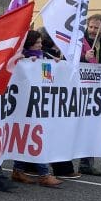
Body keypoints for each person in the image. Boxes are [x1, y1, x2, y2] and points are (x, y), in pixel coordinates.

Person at [10, 31, 64, 188]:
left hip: (40, 103)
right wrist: (27, 62)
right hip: (26, 104)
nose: (41, 45)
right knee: (35, 137)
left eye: (41, 42)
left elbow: (47, 77)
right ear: (29, 44)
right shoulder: (24, 57)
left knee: (28, 138)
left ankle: (18, 170)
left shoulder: (43, 55)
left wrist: (56, 63)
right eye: (37, 43)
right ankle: (44, 174)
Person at [77, 15, 101, 176]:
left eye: (96, 28)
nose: (92, 30)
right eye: (91, 27)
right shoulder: (78, 40)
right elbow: (67, 60)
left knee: (91, 126)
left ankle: (86, 162)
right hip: (78, 89)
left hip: (94, 91)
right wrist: (84, 57)